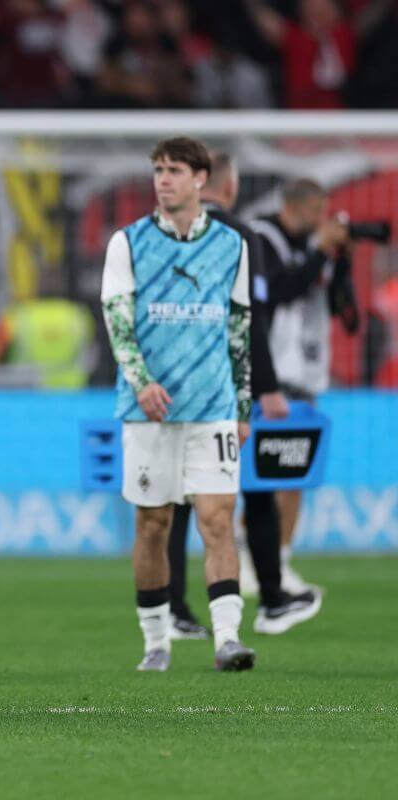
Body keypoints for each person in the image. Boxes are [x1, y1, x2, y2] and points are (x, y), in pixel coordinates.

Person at [101, 136, 255, 673]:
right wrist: (142, 381)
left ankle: (228, 639)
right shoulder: (128, 242)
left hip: (212, 403)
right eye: (158, 170)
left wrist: (243, 405)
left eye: (174, 170)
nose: (163, 179)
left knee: (218, 518)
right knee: (153, 523)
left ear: (200, 180)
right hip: (150, 410)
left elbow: (239, 328)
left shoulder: (231, 246)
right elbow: (119, 322)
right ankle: (155, 640)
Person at [166, 153, 322, 640]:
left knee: (177, 499)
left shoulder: (160, 232)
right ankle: (271, 599)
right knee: (254, 485)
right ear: (227, 186)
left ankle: (172, 609)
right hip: (228, 384)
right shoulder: (240, 235)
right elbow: (249, 317)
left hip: (173, 382)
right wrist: (266, 387)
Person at [250, 179, 354, 596]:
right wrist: (318, 252)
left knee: (293, 475)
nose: (321, 219)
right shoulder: (262, 238)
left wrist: (339, 259)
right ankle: (251, 560)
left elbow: (342, 309)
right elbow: (278, 291)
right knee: (262, 476)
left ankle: (281, 559)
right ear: (296, 206)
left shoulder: (316, 246)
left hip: (306, 376)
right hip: (271, 378)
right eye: (317, 210)